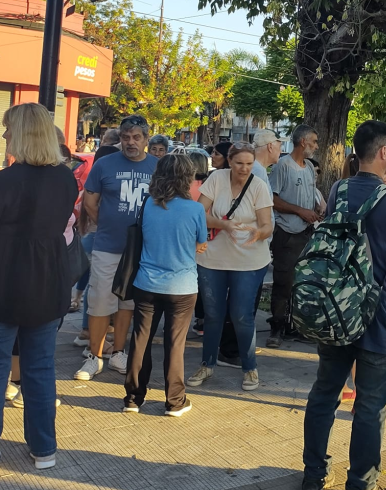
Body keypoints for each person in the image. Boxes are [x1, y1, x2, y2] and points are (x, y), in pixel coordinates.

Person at [301, 120, 386, 490]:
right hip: (379, 316)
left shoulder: (338, 189)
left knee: (324, 393)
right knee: (370, 406)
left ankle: (312, 477)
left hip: (336, 308)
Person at [0, 103, 78, 469]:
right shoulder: (65, 179)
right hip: (49, 280)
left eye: (7, 128)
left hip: (7, 280)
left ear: (22, 133)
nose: (4, 135)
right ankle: (44, 447)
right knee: (40, 367)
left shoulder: (6, 181)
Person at [75, 115, 158, 381]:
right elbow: (90, 202)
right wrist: (108, 224)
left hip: (140, 251)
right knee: (100, 302)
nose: (130, 143)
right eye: (125, 137)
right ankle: (94, 356)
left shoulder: (158, 167)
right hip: (107, 246)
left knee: (128, 303)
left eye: (136, 138)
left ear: (146, 139)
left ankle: (119, 353)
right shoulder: (105, 165)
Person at [124, 155, 207, 416]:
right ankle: (174, 400)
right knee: (175, 343)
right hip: (181, 286)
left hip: (146, 283)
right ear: (187, 177)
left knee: (141, 340)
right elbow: (200, 242)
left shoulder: (148, 203)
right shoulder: (194, 209)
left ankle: (133, 398)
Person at [187, 143, 273, 391]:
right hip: (213, 258)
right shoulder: (216, 178)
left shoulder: (258, 185)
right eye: (239, 163)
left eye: (248, 163)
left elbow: (268, 225)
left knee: (241, 315)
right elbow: (198, 212)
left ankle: (250, 368)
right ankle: (207, 364)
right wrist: (224, 225)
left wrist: (259, 232)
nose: (244, 168)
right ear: (229, 161)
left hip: (249, 260)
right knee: (212, 315)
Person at [266, 125, 322, 348]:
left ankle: (297, 326)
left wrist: (316, 210)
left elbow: (309, 196)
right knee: (283, 282)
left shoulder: (309, 167)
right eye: (314, 142)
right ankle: (277, 326)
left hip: (306, 232)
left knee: (303, 282)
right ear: (303, 142)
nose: (316, 146)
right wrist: (299, 210)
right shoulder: (283, 166)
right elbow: (273, 199)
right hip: (287, 233)